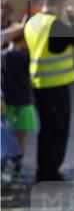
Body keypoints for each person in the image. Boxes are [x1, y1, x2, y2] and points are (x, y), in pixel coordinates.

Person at [23, 0, 74, 183]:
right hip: (56, 86)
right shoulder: (54, 24)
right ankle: (50, 173)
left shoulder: (33, 22)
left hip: (38, 84)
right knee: (58, 131)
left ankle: (44, 171)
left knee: (46, 131)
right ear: (60, 3)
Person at [1, 30, 38, 183]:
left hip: (6, 102)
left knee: (4, 136)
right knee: (21, 137)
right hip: (24, 101)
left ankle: (3, 167)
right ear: (23, 41)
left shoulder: (3, 55)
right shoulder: (25, 58)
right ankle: (18, 168)